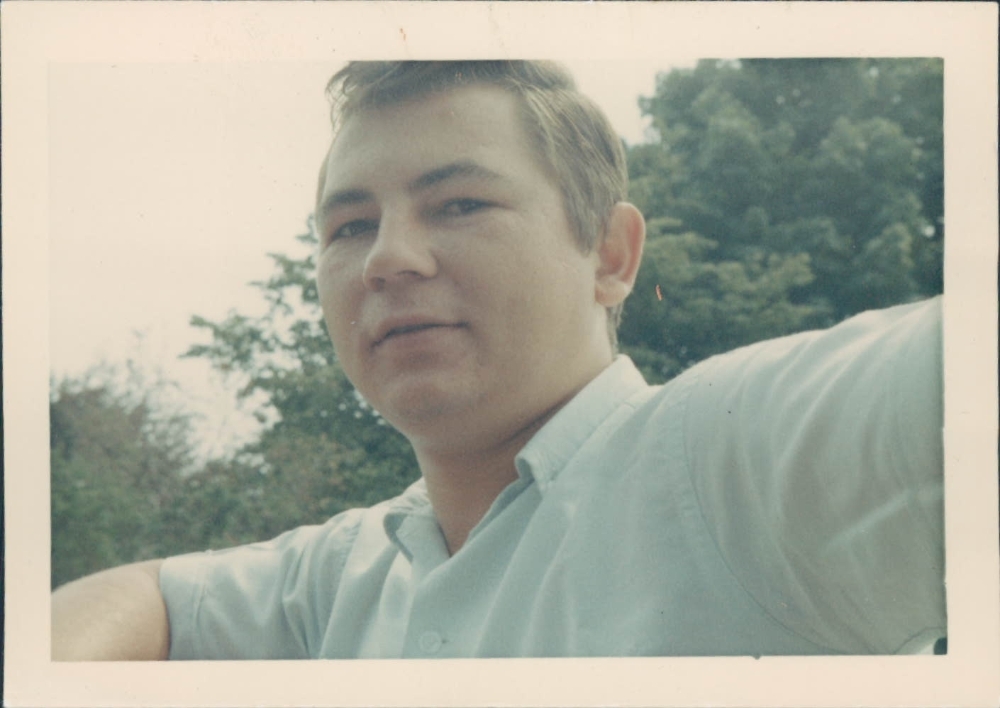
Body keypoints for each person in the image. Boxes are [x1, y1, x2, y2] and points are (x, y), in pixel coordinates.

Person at [51, 60, 945, 660]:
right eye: (350, 226)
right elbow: (151, 598)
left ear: (610, 255)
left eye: (461, 204)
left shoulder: (730, 461)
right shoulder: (338, 581)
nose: (387, 258)